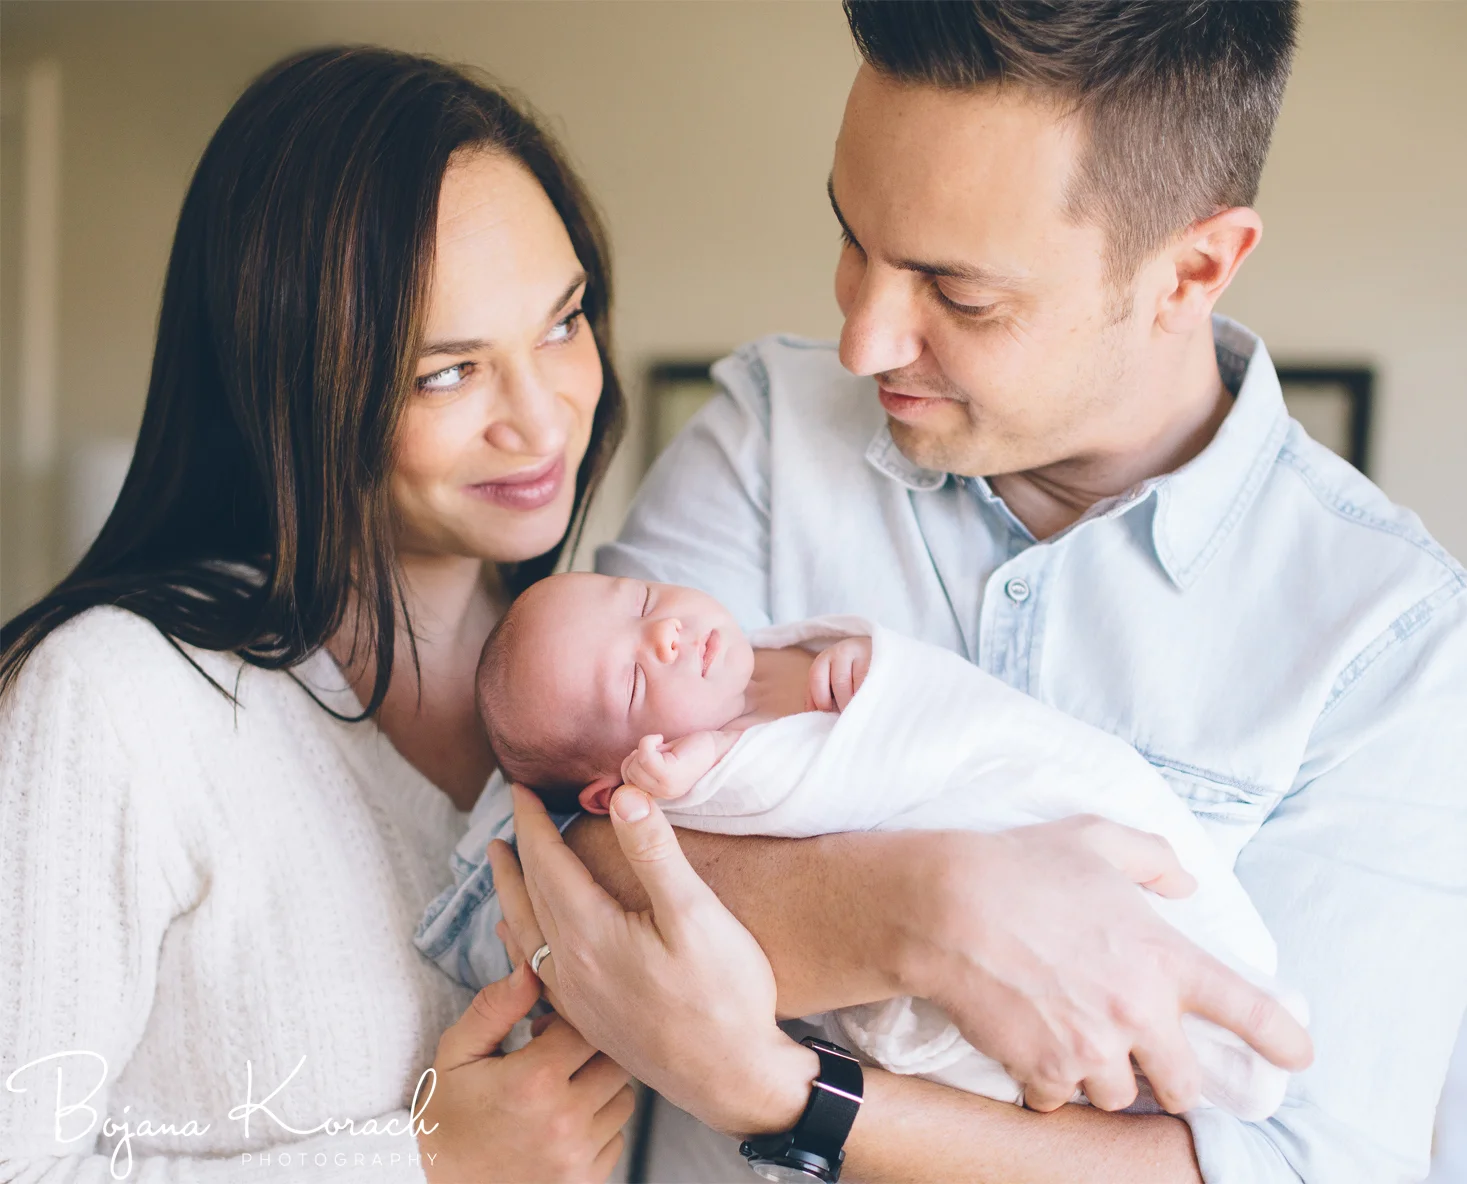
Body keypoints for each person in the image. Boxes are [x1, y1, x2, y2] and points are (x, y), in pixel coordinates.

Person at [482, 3, 1467, 1182]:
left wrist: (787, 1092)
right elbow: (534, 864)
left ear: (1193, 269)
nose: (860, 338)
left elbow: (1302, 1168)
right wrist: (926, 909)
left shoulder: (1390, 639)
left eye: (958, 293)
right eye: (853, 238)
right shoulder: (766, 440)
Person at [0, 47, 639, 1181]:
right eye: (447, 372)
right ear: (290, 380)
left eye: (562, 320)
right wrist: (424, 1164)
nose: (542, 419)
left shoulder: (606, 683)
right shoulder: (112, 702)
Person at [443, 570, 1298, 1121]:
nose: (664, 631)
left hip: (1079, 821)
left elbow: (952, 724)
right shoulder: (693, 782)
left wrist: (866, 675)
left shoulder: (787, 656)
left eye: (639, 600)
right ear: (615, 785)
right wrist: (716, 768)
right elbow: (588, 883)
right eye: (633, 678)